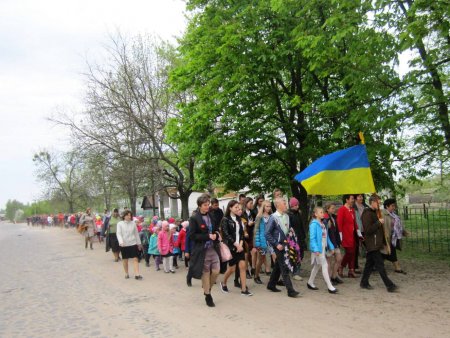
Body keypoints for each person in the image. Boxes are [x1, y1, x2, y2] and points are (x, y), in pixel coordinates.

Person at [188, 194, 221, 307]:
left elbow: (215, 229)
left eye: (208, 204)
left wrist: (217, 234)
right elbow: (192, 236)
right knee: (206, 273)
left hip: (213, 248)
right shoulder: (194, 218)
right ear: (199, 206)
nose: (208, 207)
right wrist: (207, 236)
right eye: (205, 205)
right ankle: (208, 295)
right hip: (202, 250)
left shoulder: (211, 216)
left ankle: (207, 288)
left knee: (216, 271)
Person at [360, 195, 397, 292]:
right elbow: (368, 230)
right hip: (372, 243)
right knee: (380, 265)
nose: (379, 204)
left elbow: (380, 230)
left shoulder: (376, 212)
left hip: (376, 243)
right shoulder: (367, 214)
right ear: (372, 202)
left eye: (380, 202)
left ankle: (364, 282)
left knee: (369, 264)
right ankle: (389, 285)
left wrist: (384, 242)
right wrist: (378, 223)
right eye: (378, 202)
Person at [265, 197, 300, 298]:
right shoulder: (273, 217)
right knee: (284, 266)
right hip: (279, 245)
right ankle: (290, 290)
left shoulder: (287, 216)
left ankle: (271, 284)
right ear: (278, 206)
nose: (286, 205)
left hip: (285, 244)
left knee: (278, 266)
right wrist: (276, 244)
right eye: (284, 203)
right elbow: (267, 234)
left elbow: (287, 230)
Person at [220, 200, 253, 296]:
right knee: (232, 268)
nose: (238, 209)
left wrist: (241, 244)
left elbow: (242, 234)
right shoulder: (225, 219)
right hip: (232, 247)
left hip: (240, 247)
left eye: (239, 208)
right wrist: (236, 245)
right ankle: (223, 283)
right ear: (230, 208)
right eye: (236, 207)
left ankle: (243, 290)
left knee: (242, 266)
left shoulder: (240, 219)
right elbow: (226, 235)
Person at [307, 207, 338, 294]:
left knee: (317, 266)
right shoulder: (313, 224)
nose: (322, 214)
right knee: (325, 265)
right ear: (316, 214)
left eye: (323, 212)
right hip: (318, 249)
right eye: (320, 212)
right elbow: (312, 238)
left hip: (323, 248)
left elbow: (326, 237)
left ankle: (310, 282)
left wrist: (331, 247)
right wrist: (316, 249)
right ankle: (330, 286)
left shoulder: (323, 224)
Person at [382, 198, 407, 274]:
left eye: (394, 206)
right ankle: (397, 267)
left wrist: (403, 231)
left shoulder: (394, 215)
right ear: (387, 206)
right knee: (389, 252)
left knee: (387, 252)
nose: (394, 207)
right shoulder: (382, 214)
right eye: (392, 206)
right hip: (385, 237)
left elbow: (399, 226)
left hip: (393, 237)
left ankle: (396, 267)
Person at [116, 210, 143, 280]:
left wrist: (139, 244)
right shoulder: (120, 224)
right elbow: (118, 234)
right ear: (124, 216)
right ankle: (126, 273)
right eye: (127, 215)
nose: (129, 216)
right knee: (125, 260)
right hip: (124, 244)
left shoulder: (133, 223)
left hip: (133, 243)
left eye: (130, 215)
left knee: (135, 258)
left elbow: (136, 234)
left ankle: (137, 274)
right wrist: (121, 242)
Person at [337, 194, 358, 278]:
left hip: (352, 234)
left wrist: (358, 232)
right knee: (350, 252)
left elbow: (354, 222)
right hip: (345, 235)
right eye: (352, 198)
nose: (353, 200)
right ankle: (341, 266)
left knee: (353, 252)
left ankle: (351, 270)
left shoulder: (352, 210)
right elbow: (339, 223)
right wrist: (340, 235)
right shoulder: (342, 209)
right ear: (347, 200)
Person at [323, 203, 343, 284]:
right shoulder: (325, 218)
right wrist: (326, 223)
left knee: (339, 259)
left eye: (334, 208)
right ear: (327, 209)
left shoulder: (333, 217)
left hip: (335, 242)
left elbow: (336, 231)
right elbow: (323, 229)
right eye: (332, 208)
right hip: (329, 243)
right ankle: (328, 279)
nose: (334, 209)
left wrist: (339, 241)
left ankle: (334, 276)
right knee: (329, 261)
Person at [287, 197, 307, 281]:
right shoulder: (289, 215)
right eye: (296, 205)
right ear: (292, 205)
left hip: (300, 237)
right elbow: (288, 227)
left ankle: (296, 268)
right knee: (294, 254)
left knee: (301, 254)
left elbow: (301, 225)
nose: (297, 206)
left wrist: (304, 236)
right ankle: (295, 272)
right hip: (293, 238)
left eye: (298, 205)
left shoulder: (298, 213)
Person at [253, 200, 272, 284]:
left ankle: (275, 278)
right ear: (263, 207)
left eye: (269, 206)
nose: (268, 208)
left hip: (270, 242)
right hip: (261, 242)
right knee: (260, 260)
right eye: (267, 206)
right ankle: (256, 275)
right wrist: (257, 244)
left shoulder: (271, 216)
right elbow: (256, 231)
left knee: (272, 259)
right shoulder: (259, 217)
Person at [241, 197, 256, 278]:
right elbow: (241, 224)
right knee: (246, 254)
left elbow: (256, 221)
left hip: (251, 234)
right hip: (244, 235)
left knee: (254, 251)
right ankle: (246, 270)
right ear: (246, 203)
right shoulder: (242, 213)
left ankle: (253, 268)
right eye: (250, 203)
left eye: (252, 203)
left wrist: (253, 223)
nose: (252, 205)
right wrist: (247, 224)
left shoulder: (253, 212)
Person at [354, 194, 367, 273]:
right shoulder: (353, 207)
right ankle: (355, 266)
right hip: (356, 230)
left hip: (365, 230)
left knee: (368, 246)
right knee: (355, 248)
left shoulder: (365, 206)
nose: (361, 198)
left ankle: (371, 264)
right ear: (355, 198)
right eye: (359, 196)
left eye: (362, 196)